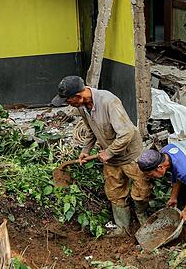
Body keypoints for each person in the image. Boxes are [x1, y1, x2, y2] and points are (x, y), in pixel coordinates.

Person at [51, 75, 150, 237]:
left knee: (141, 189)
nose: (68, 104)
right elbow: (91, 130)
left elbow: (126, 133)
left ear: (78, 96)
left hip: (130, 154)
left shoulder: (109, 102)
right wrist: (85, 150)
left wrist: (109, 152)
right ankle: (122, 228)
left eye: (68, 101)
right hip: (110, 157)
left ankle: (143, 220)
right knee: (114, 191)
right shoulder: (82, 107)